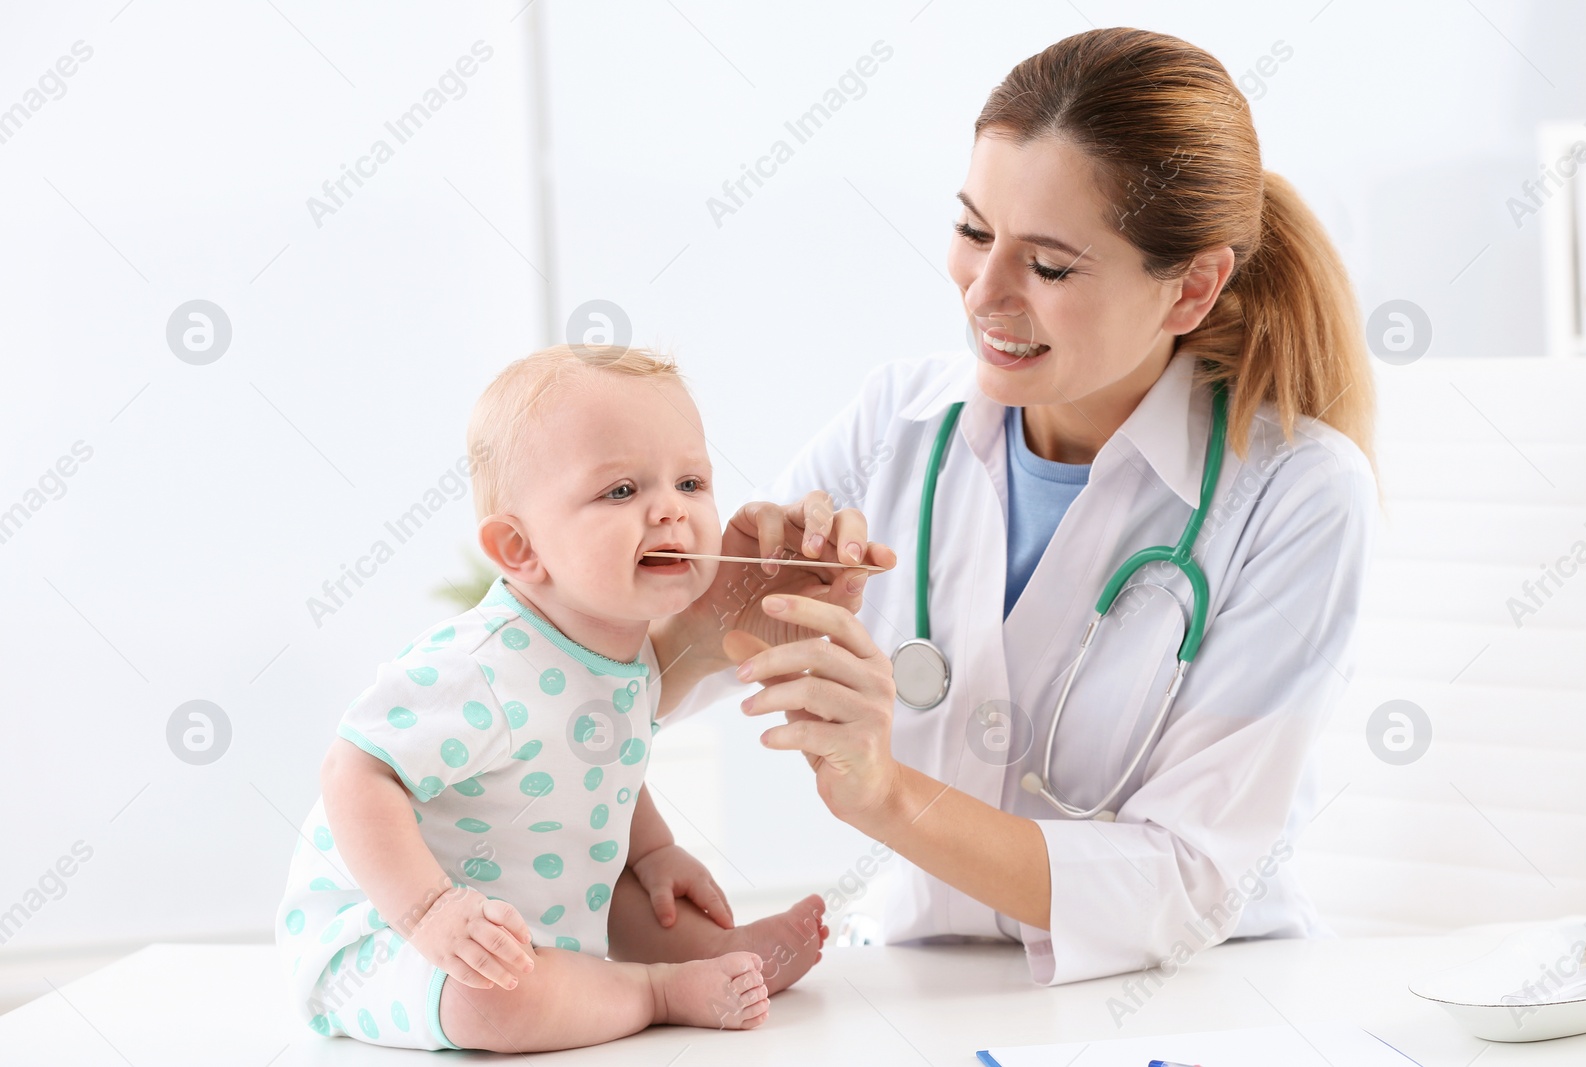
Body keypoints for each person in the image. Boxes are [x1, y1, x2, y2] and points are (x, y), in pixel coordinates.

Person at [645, 27, 1379, 987]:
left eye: (1051, 266)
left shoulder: (1296, 493)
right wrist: (712, 625)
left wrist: (889, 798)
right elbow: (593, 701)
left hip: (1195, 1005)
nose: (983, 292)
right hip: (928, 990)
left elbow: (1192, 878)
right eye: (974, 231)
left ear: (1192, 288)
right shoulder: (898, 420)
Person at [273, 345, 839, 1053]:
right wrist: (429, 910)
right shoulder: (480, 666)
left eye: (691, 481)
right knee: (497, 1005)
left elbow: (600, 763)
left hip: (537, 915)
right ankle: (658, 989)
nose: (670, 509)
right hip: (386, 942)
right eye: (622, 491)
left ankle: (720, 949)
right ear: (519, 548)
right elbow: (353, 772)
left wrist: (654, 850)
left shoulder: (620, 653)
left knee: (637, 894)